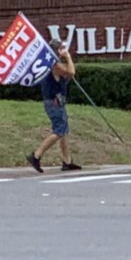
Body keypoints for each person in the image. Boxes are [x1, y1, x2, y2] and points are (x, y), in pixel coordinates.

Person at [28, 39, 81, 173]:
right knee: (59, 130)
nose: (63, 50)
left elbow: (67, 75)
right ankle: (36, 155)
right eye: (61, 49)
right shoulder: (54, 65)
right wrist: (68, 57)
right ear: (57, 50)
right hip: (54, 102)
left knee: (63, 131)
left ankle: (67, 161)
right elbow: (71, 73)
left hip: (55, 101)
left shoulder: (49, 63)